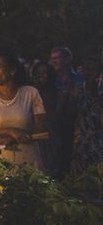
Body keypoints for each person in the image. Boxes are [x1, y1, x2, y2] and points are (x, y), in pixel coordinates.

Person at [0, 52, 46, 168]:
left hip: (28, 162)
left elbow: (42, 128)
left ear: (13, 70)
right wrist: (9, 131)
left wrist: (13, 139)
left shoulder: (30, 93)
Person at [50, 46, 82, 177]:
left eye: (57, 58)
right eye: (52, 59)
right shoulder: (50, 79)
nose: (54, 61)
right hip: (55, 125)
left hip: (74, 125)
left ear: (67, 59)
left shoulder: (78, 79)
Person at [70, 56, 103, 174]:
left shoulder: (99, 92)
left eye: (93, 70)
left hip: (98, 143)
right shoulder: (77, 90)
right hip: (81, 142)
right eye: (87, 69)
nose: (90, 73)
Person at [30, 61, 60, 176]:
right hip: (35, 135)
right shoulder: (30, 93)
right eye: (38, 73)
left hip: (52, 135)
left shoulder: (56, 94)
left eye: (44, 73)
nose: (40, 76)